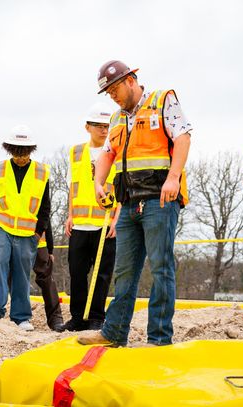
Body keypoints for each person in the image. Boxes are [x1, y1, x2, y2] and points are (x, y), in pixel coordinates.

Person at [78, 60, 192, 347]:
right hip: (129, 203)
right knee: (124, 271)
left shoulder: (162, 100)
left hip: (159, 199)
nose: (112, 96)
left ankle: (158, 338)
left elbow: (183, 137)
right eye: (107, 92)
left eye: (114, 89)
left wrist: (174, 177)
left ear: (131, 80)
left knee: (160, 267)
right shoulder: (116, 119)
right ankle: (114, 333)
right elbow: (107, 153)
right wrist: (98, 183)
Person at [0, 125, 50, 331]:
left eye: (25, 152)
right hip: (2, 227)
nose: (20, 157)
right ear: (10, 149)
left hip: (28, 232)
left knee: (21, 272)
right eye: (17, 152)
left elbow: (45, 205)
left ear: (31, 150)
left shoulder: (42, 172)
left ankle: (21, 317)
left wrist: (39, 230)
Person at [62, 102, 120, 332]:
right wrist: (69, 215)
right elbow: (71, 187)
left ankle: (96, 316)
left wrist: (116, 219)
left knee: (103, 274)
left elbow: (121, 189)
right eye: (98, 126)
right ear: (87, 127)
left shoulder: (116, 152)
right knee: (77, 273)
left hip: (106, 224)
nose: (104, 130)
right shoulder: (76, 152)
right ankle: (78, 317)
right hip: (80, 225)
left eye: (107, 126)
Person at [33, 220, 64, 332]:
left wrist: (50, 249)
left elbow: (46, 218)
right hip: (16, 241)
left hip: (40, 243)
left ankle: (56, 319)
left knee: (47, 280)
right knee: (16, 278)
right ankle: (20, 318)